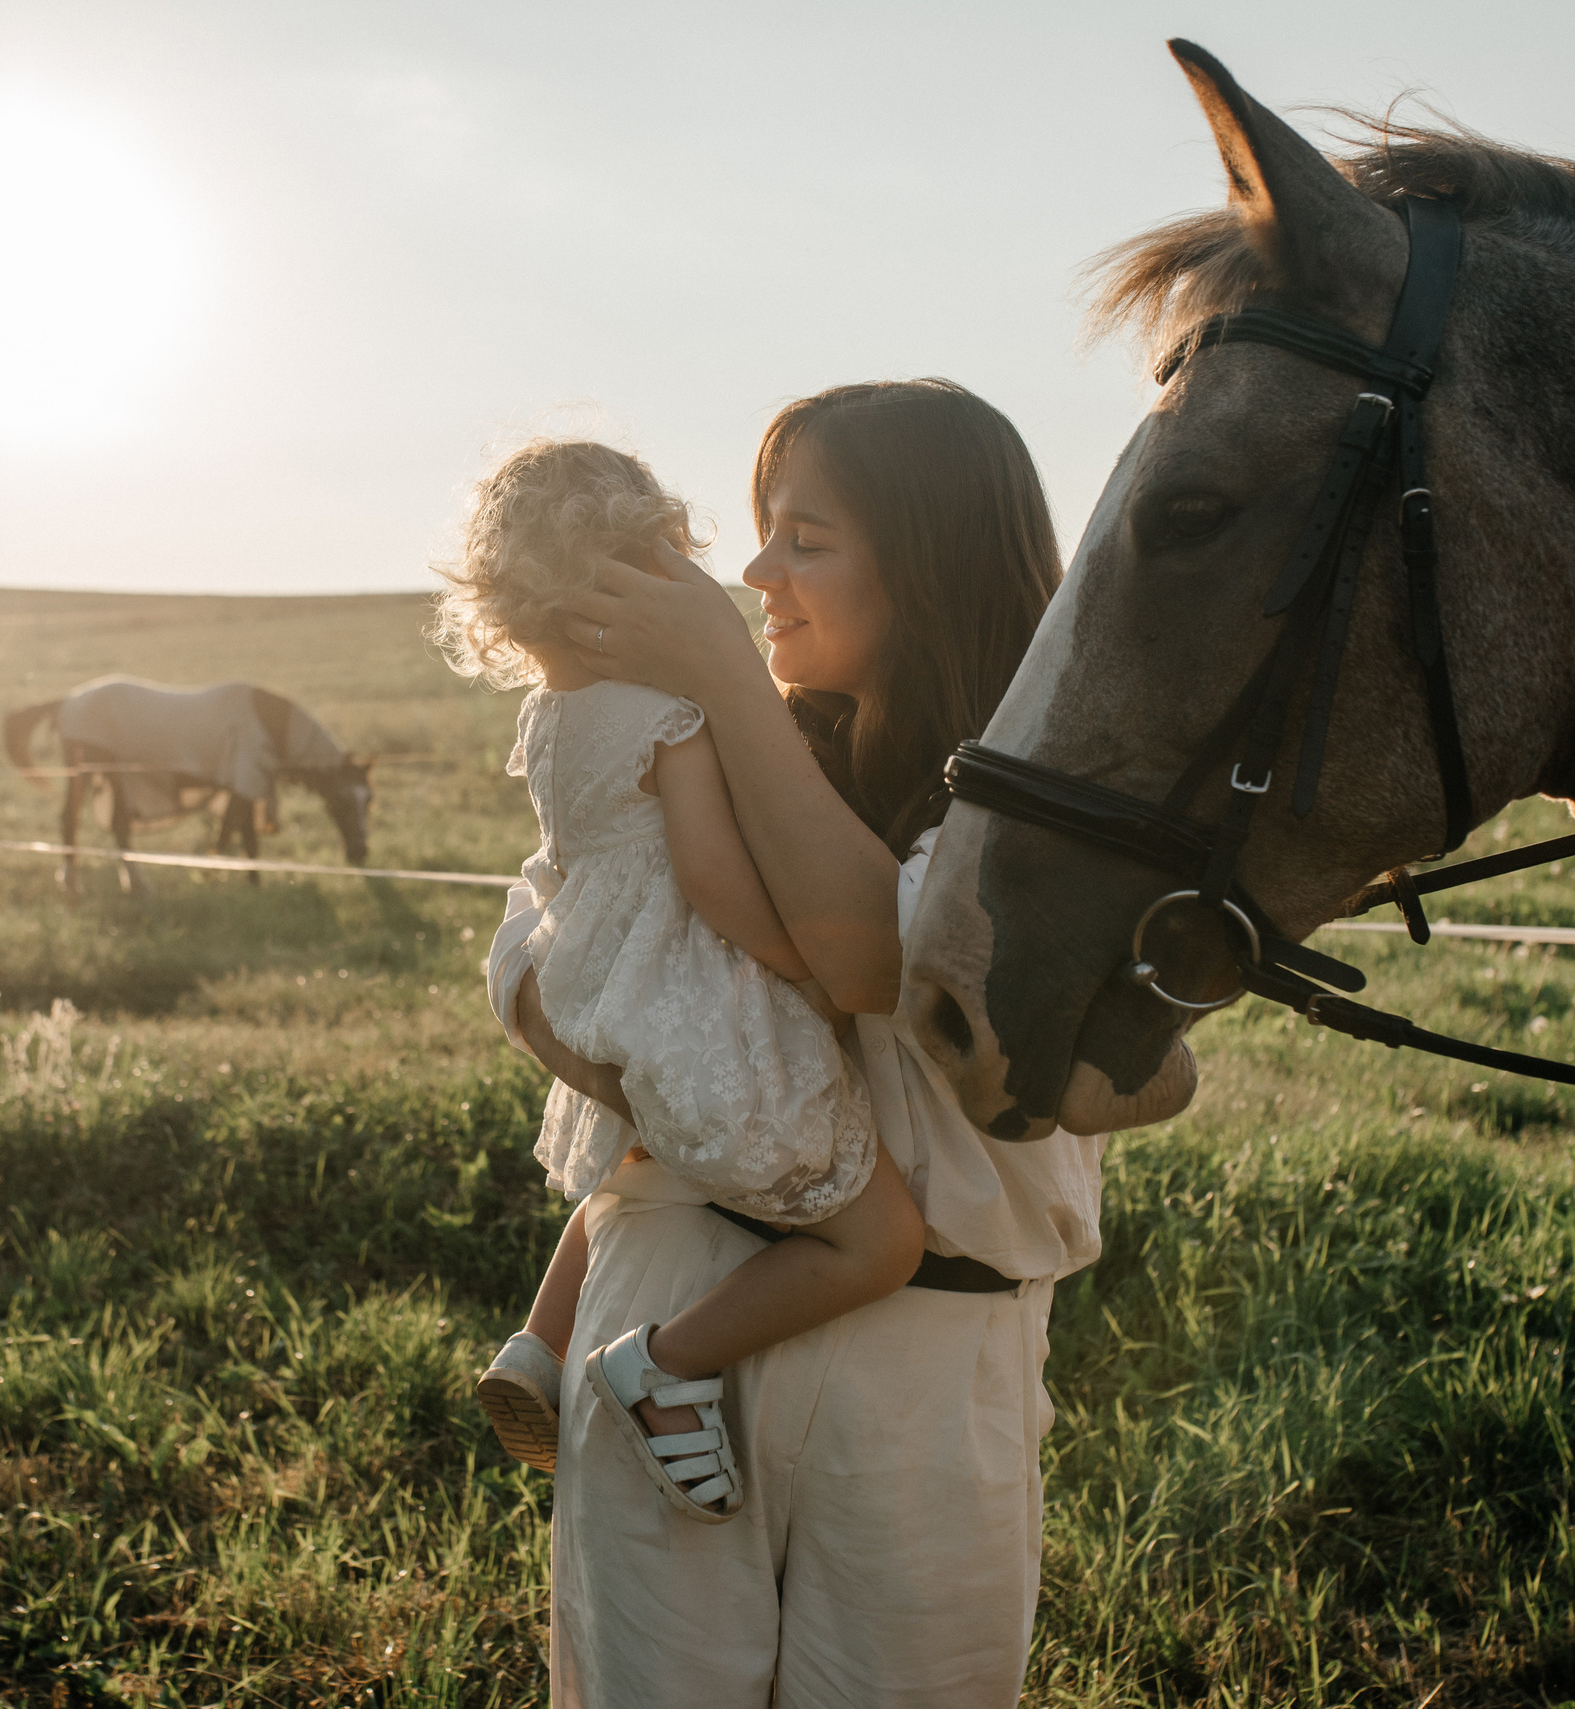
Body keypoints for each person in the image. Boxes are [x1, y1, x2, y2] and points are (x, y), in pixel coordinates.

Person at [484, 381, 1196, 1707]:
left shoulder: (1058, 808)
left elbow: (876, 962)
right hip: (676, 1288)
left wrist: (719, 678)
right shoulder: (721, 739)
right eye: (763, 531)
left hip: (932, 1349)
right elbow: (548, 923)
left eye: (805, 538)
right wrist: (569, 1018)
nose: (756, 573)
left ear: (932, 562)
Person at [431, 439, 924, 1520]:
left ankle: (539, 1339)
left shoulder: (547, 715)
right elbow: (708, 876)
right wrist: (801, 965)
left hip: (594, 974)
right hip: (683, 982)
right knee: (879, 1239)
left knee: (638, 1150)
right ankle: (664, 1363)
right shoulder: (668, 713)